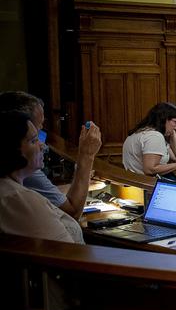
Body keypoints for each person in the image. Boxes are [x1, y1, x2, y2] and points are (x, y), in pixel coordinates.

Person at [0, 90, 102, 219]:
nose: (42, 143)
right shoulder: (22, 167)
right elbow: (72, 212)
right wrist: (87, 155)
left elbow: (42, 193)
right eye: (36, 134)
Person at [0, 110, 85, 243]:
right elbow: (68, 255)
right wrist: (87, 155)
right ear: (12, 149)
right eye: (34, 141)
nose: (42, 145)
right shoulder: (20, 199)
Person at [121, 102, 176, 177]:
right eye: (175, 122)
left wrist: (172, 134)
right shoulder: (154, 136)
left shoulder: (145, 131)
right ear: (164, 119)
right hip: (146, 184)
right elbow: (150, 169)